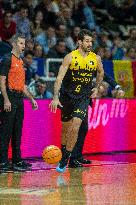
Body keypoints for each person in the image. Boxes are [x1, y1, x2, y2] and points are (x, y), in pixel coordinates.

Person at [49, 29, 104, 173]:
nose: (90, 43)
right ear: (79, 41)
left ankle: (65, 159)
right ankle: (62, 152)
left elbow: (101, 72)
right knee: (66, 129)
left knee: (76, 125)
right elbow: (59, 78)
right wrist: (55, 97)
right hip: (67, 97)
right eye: (87, 41)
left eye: (91, 41)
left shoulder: (96, 58)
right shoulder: (70, 57)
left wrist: (96, 88)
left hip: (83, 97)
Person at [69, 72, 125, 168]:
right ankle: (73, 159)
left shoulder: (92, 64)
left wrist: (117, 87)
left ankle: (77, 156)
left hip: (84, 100)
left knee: (83, 129)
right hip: (75, 99)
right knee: (78, 129)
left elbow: (105, 75)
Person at [0, 34, 38, 173]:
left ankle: (17, 160)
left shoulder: (21, 61)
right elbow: (2, 81)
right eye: (21, 43)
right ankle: (3, 161)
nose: (24, 46)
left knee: (17, 130)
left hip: (19, 98)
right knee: (6, 131)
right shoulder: (6, 59)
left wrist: (32, 99)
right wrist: (5, 99)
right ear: (14, 44)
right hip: (9, 97)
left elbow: (22, 85)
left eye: (24, 43)